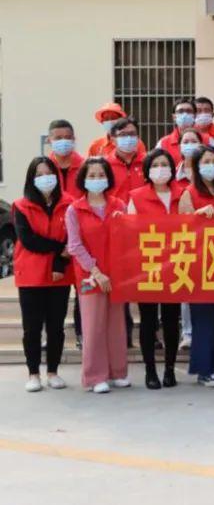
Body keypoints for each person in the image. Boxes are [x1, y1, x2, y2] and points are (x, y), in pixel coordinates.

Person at [65, 158, 129, 393]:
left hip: (116, 274)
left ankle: (118, 372)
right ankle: (95, 376)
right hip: (89, 276)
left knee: (116, 326)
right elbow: (74, 245)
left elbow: (127, 239)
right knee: (93, 327)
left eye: (100, 175)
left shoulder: (119, 206)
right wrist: (96, 271)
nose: (96, 179)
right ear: (83, 179)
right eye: (91, 176)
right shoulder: (75, 209)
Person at [13, 158, 74, 392]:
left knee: (56, 326)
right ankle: (33, 373)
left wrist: (60, 263)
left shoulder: (69, 204)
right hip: (30, 275)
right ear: (31, 179)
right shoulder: (21, 206)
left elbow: (71, 239)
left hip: (59, 275)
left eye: (48, 173)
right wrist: (59, 248)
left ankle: (53, 372)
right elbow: (29, 240)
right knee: (32, 328)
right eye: (38, 174)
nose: (44, 178)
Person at [126, 149, 184, 390]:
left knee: (171, 319)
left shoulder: (182, 194)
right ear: (147, 170)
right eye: (155, 165)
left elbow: (192, 224)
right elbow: (129, 231)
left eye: (165, 164)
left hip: (175, 265)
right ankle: (150, 370)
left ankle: (170, 369)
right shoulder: (137, 196)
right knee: (148, 319)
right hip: (147, 265)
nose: (161, 169)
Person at [178, 146, 214, 387]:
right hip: (200, 263)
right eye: (206, 161)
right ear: (196, 167)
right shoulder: (189, 193)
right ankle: (204, 369)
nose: (211, 166)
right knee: (204, 318)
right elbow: (181, 227)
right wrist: (198, 214)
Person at [105, 118, 147, 205]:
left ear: (138, 138)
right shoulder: (105, 165)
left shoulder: (148, 162)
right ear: (113, 140)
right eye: (123, 134)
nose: (128, 138)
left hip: (143, 212)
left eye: (132, 134)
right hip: (115, 212)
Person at [156, 99, 207, 165]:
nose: (185, 114)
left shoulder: (208, 140)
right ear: (174, 117)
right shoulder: (163, 143)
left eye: (189, 111)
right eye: (180, 111)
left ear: (195, 116)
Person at [46, 119, 84, 196]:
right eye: (58, 138)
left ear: (73, 139)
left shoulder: (85, 166)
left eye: (67, 137)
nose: (63, 141)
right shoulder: (45, 168)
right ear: (49, 141)